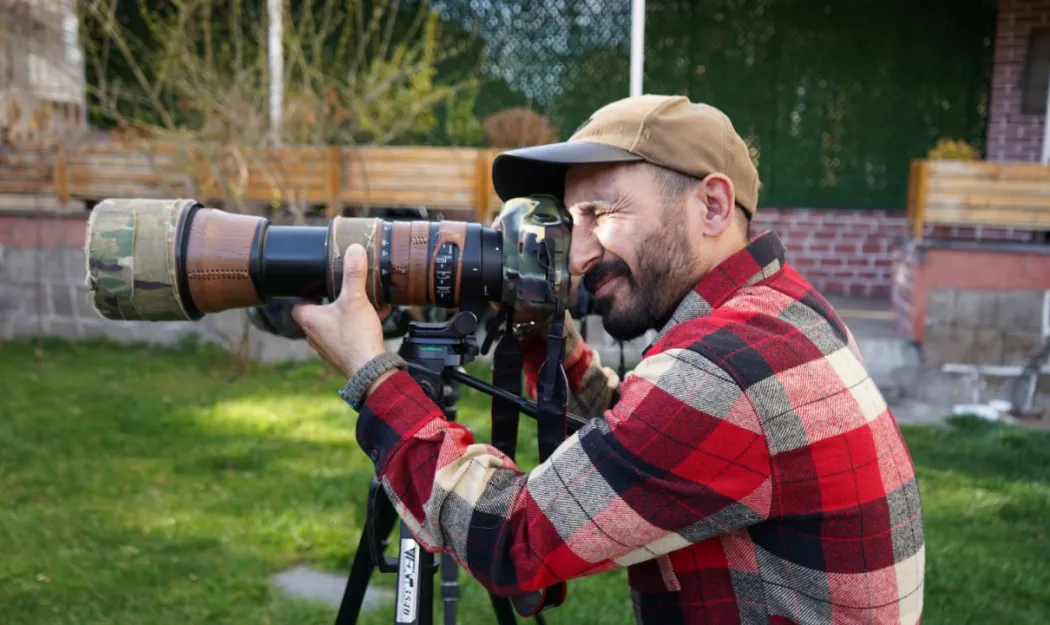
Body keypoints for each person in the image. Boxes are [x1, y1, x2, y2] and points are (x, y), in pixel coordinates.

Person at [291, 95, 925, 625]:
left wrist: (372, 378)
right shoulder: (783, 313)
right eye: (572, 222)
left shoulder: (720, 373)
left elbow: (513, 540)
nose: (579, 253)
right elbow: (640, 446)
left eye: (601, 213)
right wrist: (550, 342)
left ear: (711, 205)